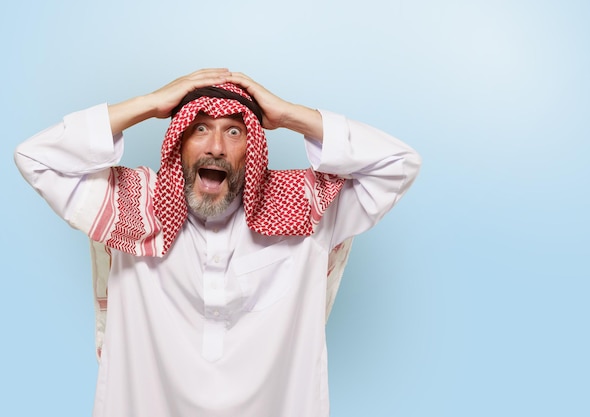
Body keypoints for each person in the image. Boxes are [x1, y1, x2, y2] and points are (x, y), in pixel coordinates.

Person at [14, 68, 421, 417]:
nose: (215, 146)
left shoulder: (306, 212)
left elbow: (398, 165)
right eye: (200, 128)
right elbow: (35, 158)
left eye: (234, 131)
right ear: (177, 143)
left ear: (253, 149)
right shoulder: (133, 208)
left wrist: (289, 115)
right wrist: (151, 103)